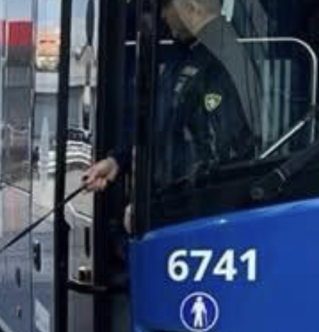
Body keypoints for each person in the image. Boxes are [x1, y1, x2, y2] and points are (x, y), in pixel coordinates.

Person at [83, 0, 263, 193]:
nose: (161, 15)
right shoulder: (186, 51)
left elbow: (221, 163)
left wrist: (155, 209)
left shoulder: (221, 60)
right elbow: (163, 120)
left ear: (192, 5)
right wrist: (118, 160)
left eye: (165, 5)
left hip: (185, 209)